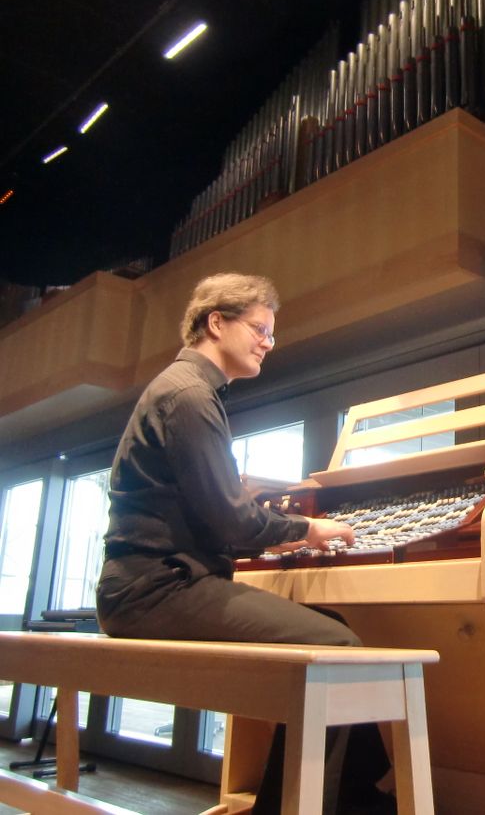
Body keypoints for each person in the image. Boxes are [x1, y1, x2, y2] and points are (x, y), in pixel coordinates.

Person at [96, 273, 393, 814]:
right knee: (343, 652)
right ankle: (316, 803)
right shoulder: (190, 395)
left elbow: (216, 515)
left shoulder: (185, 390)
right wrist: (307, 530)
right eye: (259, 329)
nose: (267, 343)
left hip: (151, 583)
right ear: (217, 322)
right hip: (156, 590)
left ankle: (353, 792)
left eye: (270, 335)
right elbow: (232, 525)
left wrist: (273, 527)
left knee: (336, 626)